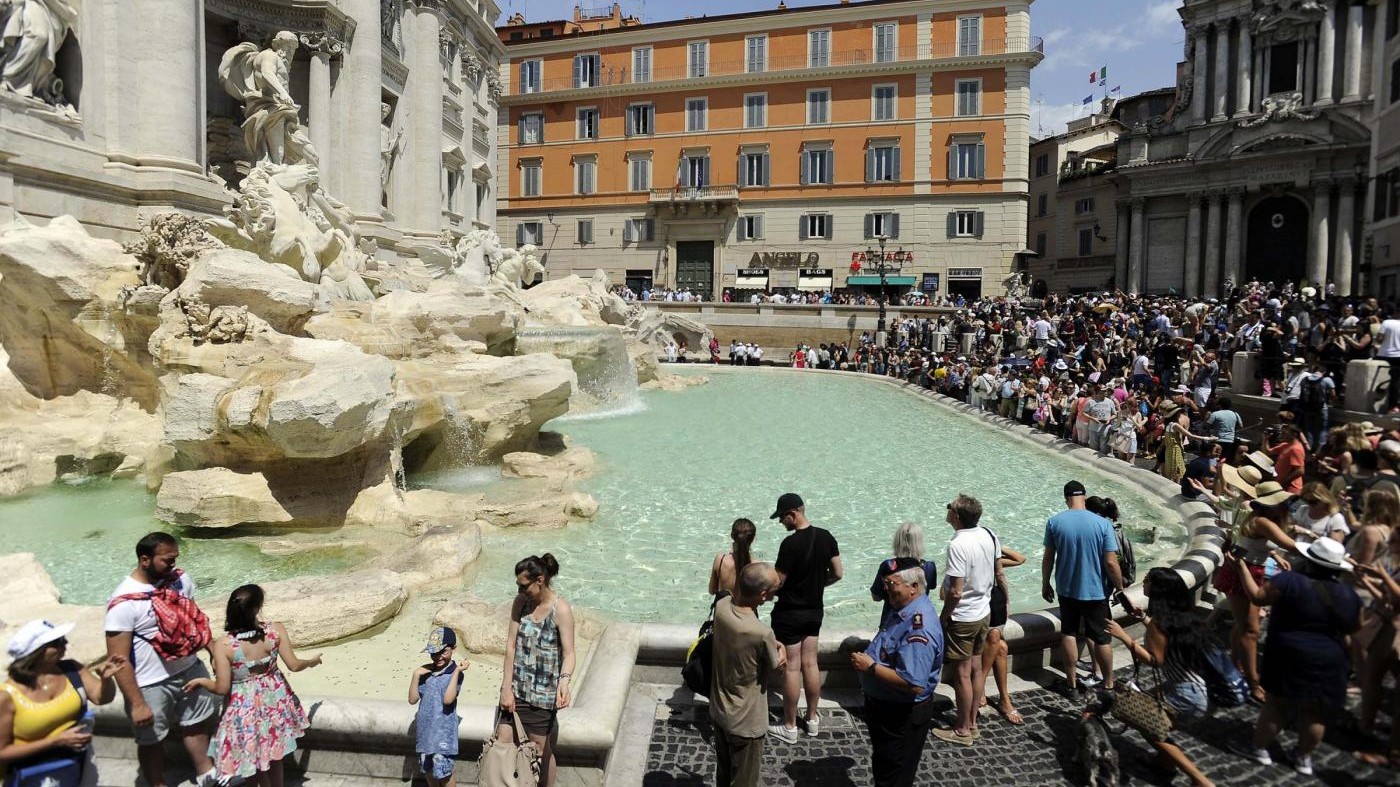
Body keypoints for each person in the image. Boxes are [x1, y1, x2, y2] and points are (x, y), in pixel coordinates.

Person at [1233, 539, 1361, 776]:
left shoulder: (1289, 580)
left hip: (1289, 651)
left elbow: (1257, 597)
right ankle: (1303, 759)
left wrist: (1239, 565)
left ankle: (1259, 750)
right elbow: (1354, 632)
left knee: (1276, 704)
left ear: (1308, 560)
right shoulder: (1349, 595)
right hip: (1331, 658)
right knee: (1315, 712)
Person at [104, 532, 220, 787]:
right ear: (145, 560)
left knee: (197, 723)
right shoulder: (123, 603)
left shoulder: (180, 581)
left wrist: (212, 651)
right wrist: (136, 703)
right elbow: (119, 659)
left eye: (175, 558)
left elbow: (194, 619)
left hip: (190, 667)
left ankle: (206, 774)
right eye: (167, 560)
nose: (173, 565)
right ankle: (157, 783)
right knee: (151, 739)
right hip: (149, 683)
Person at [184, 585, 319, 787]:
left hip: (243, 709)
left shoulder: (225, 645)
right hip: (275, 702)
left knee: (251, 759)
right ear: (257, 608)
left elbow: (221, 687)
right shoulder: (276, 631)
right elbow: (294, 664)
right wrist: (312, 661)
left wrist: (201, 681)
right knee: (274, 755)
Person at [1105, 569, 1218, 787]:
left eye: (1147, 580)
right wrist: (1144, 618)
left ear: (1157, 589)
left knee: (1152, 729)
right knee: (1158, 723)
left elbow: (1154, 660)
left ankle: (1200, 780)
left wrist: (1124, 636)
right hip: (1197, 687)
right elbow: (1166, 640)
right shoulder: (1180, 617)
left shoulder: (1160, 622)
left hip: (1185, 694)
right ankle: (1164, 764)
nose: (1144, 582)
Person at [851, 558, 944, 787]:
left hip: (900, 715)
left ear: (913, 587)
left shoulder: (918, 628)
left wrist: (871, 668)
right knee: (886, 768)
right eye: (885, 584)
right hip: (888, 710)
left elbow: (912, 682)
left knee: (894, 776)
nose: (886, 590)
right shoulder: (903, 607)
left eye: (892, 584)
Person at [1, 620, 124, 787]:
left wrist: (106, 680)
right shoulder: (7, 696)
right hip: (29, 775)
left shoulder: (72, 670)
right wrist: (55, 741)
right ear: (37, 652)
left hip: (77, 765)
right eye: (57, 642)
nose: (65, 643)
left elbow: (101, 698)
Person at [768, 493, 842, 743]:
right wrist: (819, 584)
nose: (781, 523)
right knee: (811, 664)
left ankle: (789, 726)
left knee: (792, 667)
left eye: (782, 518)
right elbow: (838, 573)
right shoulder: (826, 537)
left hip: (789, 613)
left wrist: (762, 591)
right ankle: (811, 720)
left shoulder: (789, 545)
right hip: (814, 611)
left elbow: (779, 581)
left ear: (793, 513)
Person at [1041, 480, 1127, 693]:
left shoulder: (1055, 521)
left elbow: (1048, 558)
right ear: (1085, 497)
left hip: (1066, 589)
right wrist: (1119, 588)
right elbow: (1110, 562)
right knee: (1102, 637)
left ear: (1066, 498)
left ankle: (1070, 684)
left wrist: (1045, 583)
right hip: (1095, 590)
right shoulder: (1102, 523)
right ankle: (1108, 683)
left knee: (1068, 633)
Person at [499, 554, 575, 787]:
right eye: (518, 585)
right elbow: (511, 646)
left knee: (540, 751)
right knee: (503, 741)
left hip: (543, 696)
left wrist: (564, 681)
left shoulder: (560, 609)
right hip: (516, 689)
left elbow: (569, 653)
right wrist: (506, 688)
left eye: (523, 585)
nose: (520, 590)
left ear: (540, 580)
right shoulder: (520, 603)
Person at [709, 563, 784, 787]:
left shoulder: (721, 606)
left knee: (723, 774)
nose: (777, 590)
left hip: (721, 711)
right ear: (763, 595)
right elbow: (777, 669)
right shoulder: (762, 632)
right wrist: (781, 651)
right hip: (746, 721)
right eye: (775, 588)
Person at [932, 495, 997, 747]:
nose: (947, 510)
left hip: (963, 617)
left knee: (961, 674)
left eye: (949, 507)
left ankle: (961, 730)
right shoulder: (987, 534)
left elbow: (956, 591)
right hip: (983, 611)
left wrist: (943, 617)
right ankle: (972, 723)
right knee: (977, 669)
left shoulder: (958, 545)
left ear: (957, 516)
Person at [409, 627, 466, 787]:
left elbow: (448, 700)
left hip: (443, 736)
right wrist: (416, 675)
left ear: (453, 649)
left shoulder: (456, 673)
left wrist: (457, 672)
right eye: (434, 653)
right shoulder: (426, 673)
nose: (438, 657)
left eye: (443, 652)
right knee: (428, 772)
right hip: (425, 734)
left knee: (445, 775)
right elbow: (413, 699)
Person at [868, 523, 937, 628]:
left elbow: (876, 597)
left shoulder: (888, 566)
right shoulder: (929, 567)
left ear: (897, 542)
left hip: (892, 623)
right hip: (917, 621)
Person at [709, 519, 756, 598]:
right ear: (753, 538)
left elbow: (712, 590)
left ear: (732, 535)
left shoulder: (720, 560)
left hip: (723, 609)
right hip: (747, 610)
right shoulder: (756, 566)